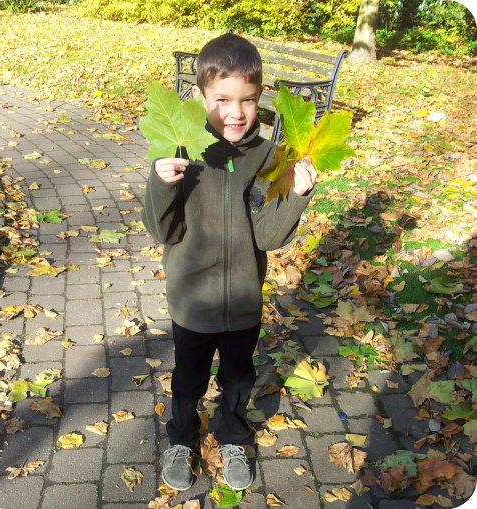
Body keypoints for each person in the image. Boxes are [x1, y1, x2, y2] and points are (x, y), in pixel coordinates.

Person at [142, 32, 317, 492]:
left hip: (242, 301)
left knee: (238, 377)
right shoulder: (180, 151)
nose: (236, 112)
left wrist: (296, 196)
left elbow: (267, 235)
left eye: (249, 100)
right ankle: (182, 436)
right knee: (189, 377)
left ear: (259, 99)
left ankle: (232, 434)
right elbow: (164, 231)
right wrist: (161, 181)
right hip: (192, 302)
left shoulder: (265, 156)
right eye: (222, 99)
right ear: (199, 96)